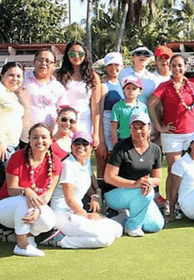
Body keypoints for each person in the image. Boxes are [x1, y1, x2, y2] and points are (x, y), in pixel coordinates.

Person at [44, 131, 123, 249]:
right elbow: (69, 199)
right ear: (71, 147)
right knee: (105, 239)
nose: (80, 146)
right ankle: (59, 240)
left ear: (91, 147)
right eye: (77, 143)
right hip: (63, 215)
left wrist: (95, 196)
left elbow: (90, 182)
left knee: (118, 230)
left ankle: (71, 235)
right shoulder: (67, 165)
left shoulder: (86, 161)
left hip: (77, 213)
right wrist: (86, 215)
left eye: (85, 143)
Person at [149, 54, 194, 215]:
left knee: (191, 169)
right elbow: (150, 104)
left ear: (185, 67)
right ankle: (171, 204)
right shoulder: (164, 86)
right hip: (172, 136)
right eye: (173, 65)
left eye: (180, 65)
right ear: (169, 67)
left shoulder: (193, 87)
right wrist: (159, 127)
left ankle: (186, 203)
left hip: (192, 135)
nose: (177, 69)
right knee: (174, 171)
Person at [0, 123, 60, 256]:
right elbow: (11, 190)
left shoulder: (56, 161)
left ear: (51, 140)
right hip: (6, 207)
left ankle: (28, 235)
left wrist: (37, 210)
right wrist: (26, 191)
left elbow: (47, 194)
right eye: (35, 137)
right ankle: (22, 245)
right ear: (29, 140)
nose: (40, 141)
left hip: (33, 207)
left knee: (49, 220)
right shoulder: (18, 157)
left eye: (44, 137)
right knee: (23, 200)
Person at [104, 111, 164, 237]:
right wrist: (135, 184)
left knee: (155, 225)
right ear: (130, 129)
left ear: (149, 128)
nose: (138, 131)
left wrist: (147, 182)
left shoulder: (155, 150)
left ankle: (125, 217)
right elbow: (109, 177)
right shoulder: (120, 147)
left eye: (141, 127)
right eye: (134, 128)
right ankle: (132, 227)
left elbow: (157, 179)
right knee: (147, 193)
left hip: (141, 193)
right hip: (115, 194)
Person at [54, 40, 101, 144]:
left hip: (84, 123)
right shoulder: (58, 75)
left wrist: (96, 133)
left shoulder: (93, 77)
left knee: (81, 155)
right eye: (72, 53)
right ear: (67, 55)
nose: (76, 56)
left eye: (80, 53)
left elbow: (96, 107)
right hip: (63, 122)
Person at [19, 49, 66, 143]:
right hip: (24, 137)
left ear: (54, 65)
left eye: (48, 61)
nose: (43, 63)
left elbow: (63, 110)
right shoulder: (22, 79)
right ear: (34, 62)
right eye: (40, 60)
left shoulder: (58, 87)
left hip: (48, 137)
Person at [98, 52, 124, 181]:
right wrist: (101, 141)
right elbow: (98, 112)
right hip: (106, 128)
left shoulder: (124, 84)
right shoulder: (102, 86)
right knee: (103, 165)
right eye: (110, 65)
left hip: (121, 131)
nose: (113, 68)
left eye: (117, 64)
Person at [0, 62, 25, 179]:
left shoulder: (12, 95)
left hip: (13, 145)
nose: (15, 79)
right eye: (11, 75)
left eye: (19, 76)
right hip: (3, 146)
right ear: (2, 75)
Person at [111, 75, 147, 147]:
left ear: (140, 91)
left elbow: (146, 127)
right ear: (124, 89)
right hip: (123, 140)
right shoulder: (117, 106)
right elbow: (113, 129)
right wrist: (115, 146)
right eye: (128, 88)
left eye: (134, 89)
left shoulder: (142, 107)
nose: (131, 91)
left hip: (139, 141)